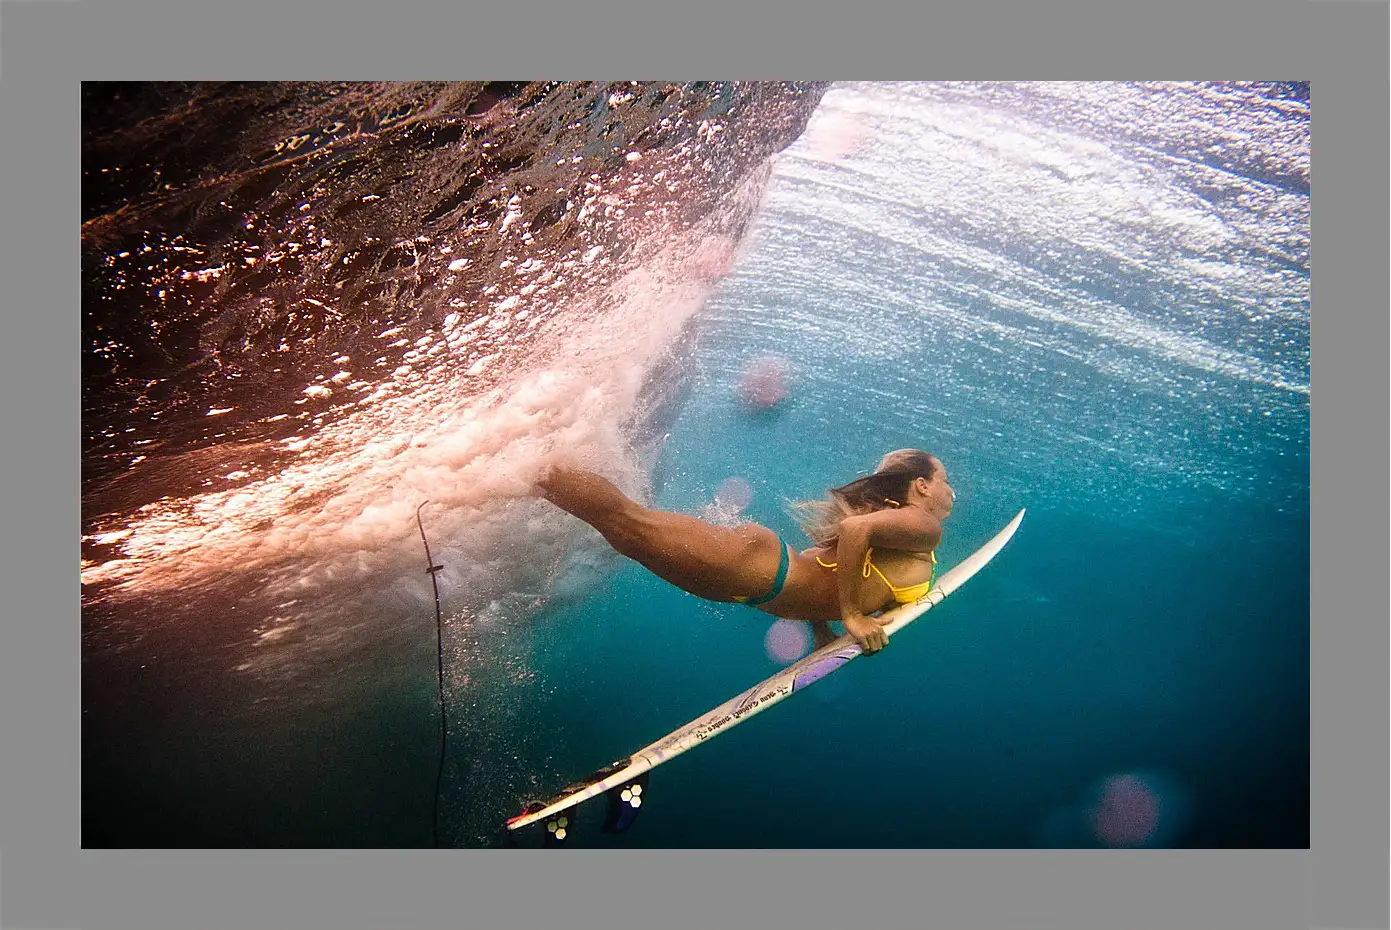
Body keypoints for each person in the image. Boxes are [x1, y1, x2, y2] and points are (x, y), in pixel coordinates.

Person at [535, 449, 955, 654]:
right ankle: (536, 464)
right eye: (945, 480)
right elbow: (853, 528)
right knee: (628, 524)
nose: (951, 491)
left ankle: (531, 470)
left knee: (625, 534)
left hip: (757, 581)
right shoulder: (925, 527)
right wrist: (851, 616)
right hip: (756, 570)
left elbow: (828, 567)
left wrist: (824, 627)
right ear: (921, 485)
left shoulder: (901, 529)